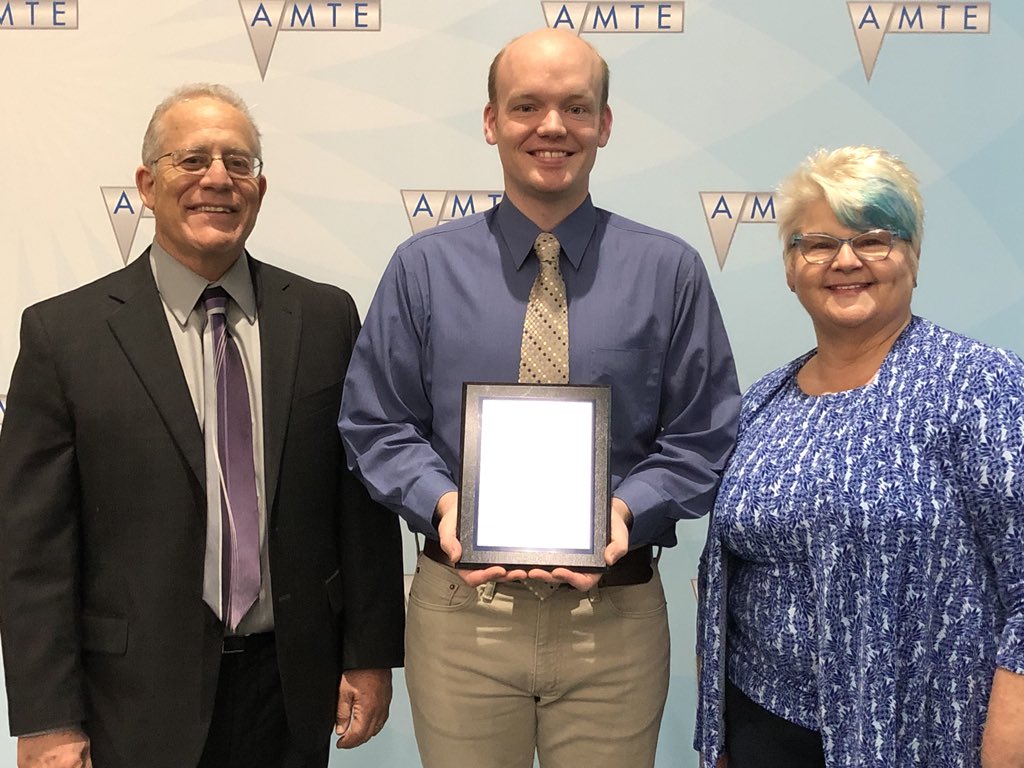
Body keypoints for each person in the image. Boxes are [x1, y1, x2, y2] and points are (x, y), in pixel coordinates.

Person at [339, 27, 740, 768]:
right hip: (464, 621)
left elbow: (704, 435)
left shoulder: (669, 271)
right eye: (526, 106)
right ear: (491, 122)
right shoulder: (423, 270)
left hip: (613, 621)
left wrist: (625, 510)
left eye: (575, 107)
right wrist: (442, 502)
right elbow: (376, 422)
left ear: (605, 124)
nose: (551, 126)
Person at [0, 83, 406, 768]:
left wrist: (370, 655)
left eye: (237, 162)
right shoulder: (62, 335)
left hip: (292, 688)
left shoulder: (325, 317)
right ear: (145, 183)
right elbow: (32, 552)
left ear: (260, 187)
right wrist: (46, 718)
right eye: (192, 160)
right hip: (130, 697)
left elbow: (357, 505)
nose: (217, 178)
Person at [695, 146, 1024, 768]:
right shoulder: (765, 400)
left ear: (912, 258)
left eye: (873, 239)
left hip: (922, 738)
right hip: (760, 728)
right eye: (816, 244)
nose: (844, 260)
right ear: (791, 269)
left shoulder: (980, 386)